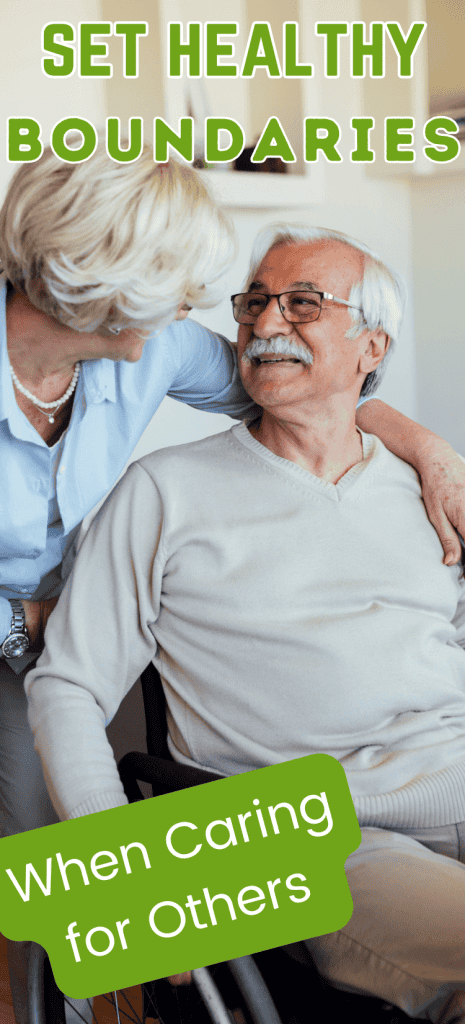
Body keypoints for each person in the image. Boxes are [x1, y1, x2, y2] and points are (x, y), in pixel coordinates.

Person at [26, 224, 465, 1022]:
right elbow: (68, 686)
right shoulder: (164, 492)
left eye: (302, 304)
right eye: (254, 303)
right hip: (319, 835)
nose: (265, 324)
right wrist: (121, 866)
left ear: (372, 346)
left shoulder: (430, 489)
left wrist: (432, 451)